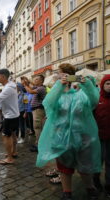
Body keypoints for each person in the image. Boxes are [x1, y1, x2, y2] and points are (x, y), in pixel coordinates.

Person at [36, 63, 101, 200]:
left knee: (85, 165)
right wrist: (59, 85)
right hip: (61, 136)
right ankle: (67, 192)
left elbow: (94, 101)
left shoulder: (82, 93)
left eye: (63, 73)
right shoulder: (56, 93)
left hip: (84, 136)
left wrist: (87, 85)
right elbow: (48, 103)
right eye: (60, 73)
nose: (62, 76)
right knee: (64, 167)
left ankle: (90, 188)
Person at [94, 74, 110, 197]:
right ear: (102, 85)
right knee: (97, 161)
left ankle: (109, 185)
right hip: (98, 137)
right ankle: (95, 180)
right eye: (107, 83)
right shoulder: (96, 99)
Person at [21, 75, 46, 152]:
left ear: (41, 81)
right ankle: (38, 143)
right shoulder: (37, 87)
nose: (35, 80)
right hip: (35, 110)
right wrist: (27, 80)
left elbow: (30, 91)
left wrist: (25, 85)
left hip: (38, 110)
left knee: (37, 127)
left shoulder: (41, 88)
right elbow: (31, 87)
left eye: (37, 79)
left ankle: (39, 145)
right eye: (35, 79)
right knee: (37, 127)